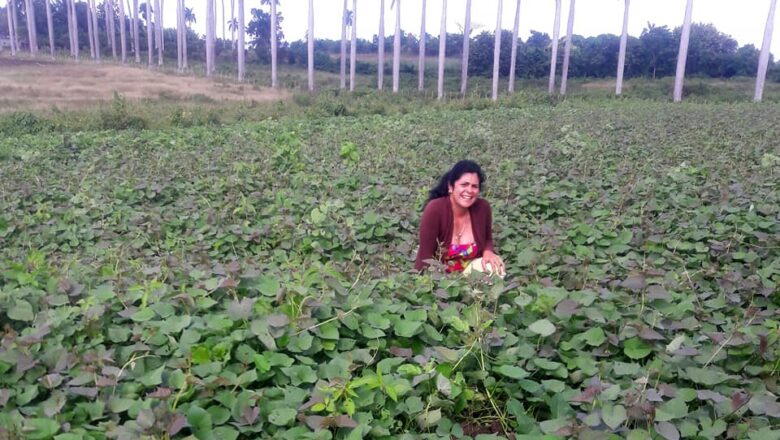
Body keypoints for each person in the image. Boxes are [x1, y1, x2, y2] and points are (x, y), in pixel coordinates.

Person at [415, 160, 505, 276]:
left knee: (496, 268)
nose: (469, 190)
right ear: (451, 187)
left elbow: (488, 239)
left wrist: (488, 251)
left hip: (472, 276)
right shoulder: (435, 209)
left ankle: (477, 293)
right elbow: (425, 255)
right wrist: (418, 284)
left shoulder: (483, 208)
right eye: (464, 185)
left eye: (474, 186)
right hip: (441, 278)